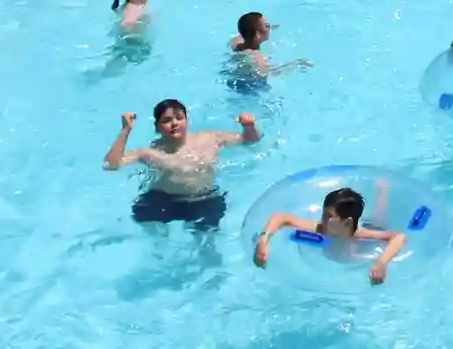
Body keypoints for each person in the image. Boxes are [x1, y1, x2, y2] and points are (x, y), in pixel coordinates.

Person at [104, 99, 261, 229]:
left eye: (179, 118)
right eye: (166, 121)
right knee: (157, 244)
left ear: (187, 120)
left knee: (207, 246)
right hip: (161, 201)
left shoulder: (211, 138)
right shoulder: (150, 153)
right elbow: (110, 165)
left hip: (204, 199)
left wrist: (249, 126)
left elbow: (250, 140)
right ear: (157, 127)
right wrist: (126, 130)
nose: (174, 123)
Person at [253, 184, 409, 284]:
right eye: (323, 214)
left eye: (328, 216)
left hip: (371, 228)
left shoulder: (359, 235)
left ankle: (382, 188)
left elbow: (399, 237)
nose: (322, 220)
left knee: (378, 218)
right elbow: (280, 217)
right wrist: (264, 239)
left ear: (346, 223)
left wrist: (382, 262)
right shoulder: (321, 228)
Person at [229, 11, 311, 83]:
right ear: (257, 35)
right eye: (267, 26)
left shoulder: (236, 42)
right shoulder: (258, 58)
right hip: (249, 87)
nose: (269, 28)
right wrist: (297, 63)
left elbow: (246, 30)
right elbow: (271, 73)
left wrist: (266, 28)